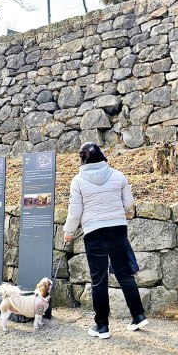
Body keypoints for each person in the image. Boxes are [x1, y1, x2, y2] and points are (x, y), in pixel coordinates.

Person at [63, 142, 146, 339]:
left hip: (94, 232)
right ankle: (138, 315)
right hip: (118, 229)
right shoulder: (118, 176)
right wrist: (115, 212)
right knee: (125, 274)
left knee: (98, 279)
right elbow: (129, 203)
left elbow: (75, 212)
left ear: (82, 158)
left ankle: (102, 326)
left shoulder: (78, 180)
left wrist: (68, 232)